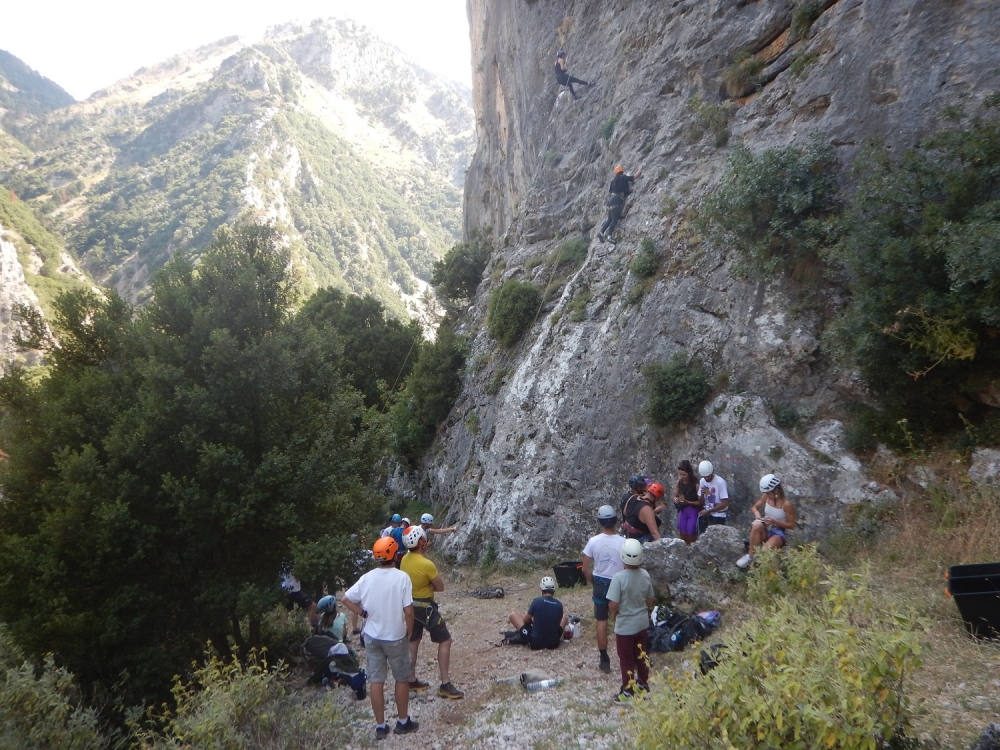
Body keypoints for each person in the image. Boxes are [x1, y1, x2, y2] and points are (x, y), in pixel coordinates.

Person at [341, 537, 419, 740]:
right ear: (394, 554)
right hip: (395, 636)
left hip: (372, 636)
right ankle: (402, 722)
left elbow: (345, 598)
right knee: (401, 678)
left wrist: (363, 614)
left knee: (376, 681)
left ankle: (380, 726)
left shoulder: (367, 578)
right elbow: (409, 611)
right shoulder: (402, 578)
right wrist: (409, 633)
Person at [399, 526, 465, 699]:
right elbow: (440, 587)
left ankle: (411, 680)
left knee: (413, 641)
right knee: (445, 640)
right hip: (426, 609)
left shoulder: (405, 559)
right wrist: (431, 586)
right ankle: (445, 683)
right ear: (421, 542)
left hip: (411, 608)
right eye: (424, 539)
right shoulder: (427, 564)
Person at [607, 538, 655, 703]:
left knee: (626, 659)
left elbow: (613, 604)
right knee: (641, 655)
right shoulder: (645, 575)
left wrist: (615, 615)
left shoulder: (618, 578)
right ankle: (643, 686)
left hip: (625, 626)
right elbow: (650, 599)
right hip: (642, 623)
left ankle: (628, 692)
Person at [581, 505, 626, 673]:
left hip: (600, 582)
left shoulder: (593, 541)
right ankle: (629, 656)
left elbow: (585, 568)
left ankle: (604, 659)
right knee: (621, 620)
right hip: (618, 581)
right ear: (615, 520)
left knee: (601, 621)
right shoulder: (624, 542)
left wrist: (593, 582)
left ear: (600, 521)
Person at [737, 474, 796, 568]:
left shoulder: (787, 505)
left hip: (778, 533)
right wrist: (757, 515)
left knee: (764, 552)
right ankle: (750, 556)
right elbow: (754, 507)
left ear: (776, 490)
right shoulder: (766, 497)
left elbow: (792, 525)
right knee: (756, 525)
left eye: (768, 493)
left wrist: (774, 521)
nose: (767, 495)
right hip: (766, 528)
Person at [508, 576, 569, 650]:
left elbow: (525, 620)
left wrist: (533, 622)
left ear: (542, 590)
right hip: (554, 643)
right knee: (565, 617)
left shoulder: (537, 601)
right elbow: (556, 624)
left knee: (513, 615)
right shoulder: (559, 604)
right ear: (553, 590)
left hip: (535, 643)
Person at [597, 166, 636, 245]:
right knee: (614, 220)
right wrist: (640, 169)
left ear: (616, 173)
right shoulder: (623, 178)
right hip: (616, 200)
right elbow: (634, 177)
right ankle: (609, 236)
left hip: (610, 200)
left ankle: (601, 233)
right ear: (622, 172)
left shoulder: (613, 181)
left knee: (609, 219)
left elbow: (610, 191)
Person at [620, 474, 661, 543]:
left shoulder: (632, 497)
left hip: (627, 533)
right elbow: (655, 533)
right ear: (638, 487)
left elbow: (625, 512)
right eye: (642, 486)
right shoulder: (645, 507)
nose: (644, 488)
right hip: (637, 537)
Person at [674, 460, 703, 545]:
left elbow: (700, 502)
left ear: (689, 473)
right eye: (680, 474)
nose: (682, 477)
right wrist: (676, 499)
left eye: (684, 475)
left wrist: (689, 502)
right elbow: (675, 495)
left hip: (693, 511)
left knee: (691, 534)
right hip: (682, 511)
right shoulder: (679, 483)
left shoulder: (696, 484)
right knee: (682, 534)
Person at [697, 460, 730, 534]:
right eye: (704, 477)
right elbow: (701, 501)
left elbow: (724, 503)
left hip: (718, 515)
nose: (706, 479)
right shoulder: (702, 481)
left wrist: (709, 511)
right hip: (707, 513)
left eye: (708, 476)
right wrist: (702, 494)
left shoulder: (720, 482)